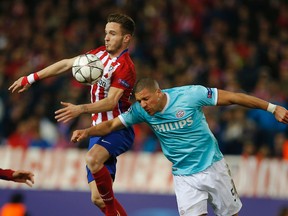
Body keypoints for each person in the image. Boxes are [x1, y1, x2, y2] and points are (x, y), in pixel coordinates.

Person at [71, 78, 288, 216]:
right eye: (140, 101)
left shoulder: (190, 95)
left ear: (159, 93)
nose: (143, 105)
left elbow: (233, 97)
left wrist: (271, 107)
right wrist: (87, 132)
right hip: (184, 176)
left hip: (213, 167)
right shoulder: (141, 111)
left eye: (146, 99)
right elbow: (111, 124)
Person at [9, 13, 136, 216]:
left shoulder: (126, 67)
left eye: (112, 34)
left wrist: (80, 109)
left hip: (117, 127)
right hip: (96, 130)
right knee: (97, 198)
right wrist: (31, 78)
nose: (106, 37)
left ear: (126, 38)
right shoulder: (99, 55)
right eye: (106, 33)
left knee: (92, 159)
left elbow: (111, 101)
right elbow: (67, 63)